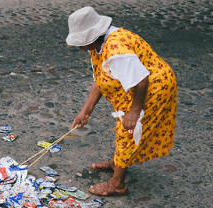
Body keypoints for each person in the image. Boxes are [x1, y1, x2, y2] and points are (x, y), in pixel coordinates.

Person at [68, 6, 177, 196]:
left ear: (93, 36)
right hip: (137, 83)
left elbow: (141, 80)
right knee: (124, 129)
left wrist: (135, 112)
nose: (80, 47)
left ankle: (117, 184)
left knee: (128, 130)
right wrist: (85, 111)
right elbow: (101, 79)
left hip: (154, 87)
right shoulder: (98, 44)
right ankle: (118, 162)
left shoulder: (117, 51)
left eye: (81, 42)